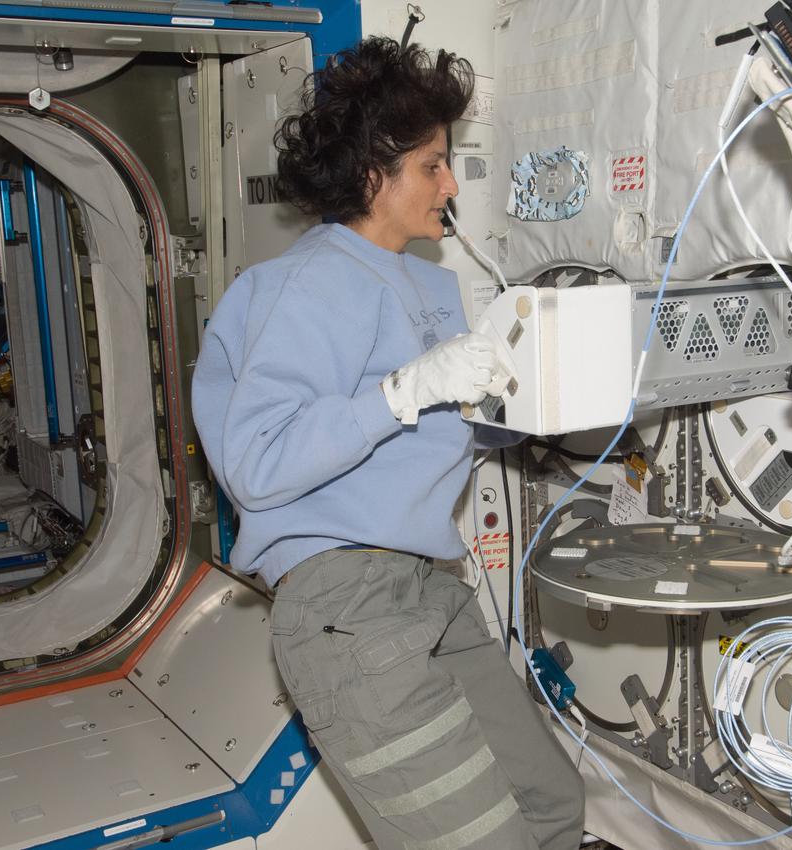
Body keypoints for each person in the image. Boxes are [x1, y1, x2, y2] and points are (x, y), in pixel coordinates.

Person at [191, 37, 585, 850]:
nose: (450, 185)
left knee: (552, 807)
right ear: (375, 171)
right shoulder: (312, 282)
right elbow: (257, 463)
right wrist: (404, 391)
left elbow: (429, 431)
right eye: (434, 164)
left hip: (429, 593)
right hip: (349, 609)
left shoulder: (429, 284)